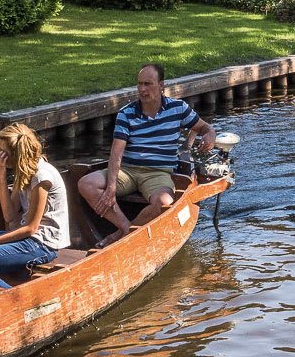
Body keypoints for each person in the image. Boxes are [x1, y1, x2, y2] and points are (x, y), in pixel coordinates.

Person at [79, 63, 215, 242]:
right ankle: (127, 230)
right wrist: (111, 187)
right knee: (86, 184)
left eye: (148, 84)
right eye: (140, 84)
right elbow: (116, 154)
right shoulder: (126, 114)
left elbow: (204, 127)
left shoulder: (178, 108)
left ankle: (121, 235)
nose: (142, 89)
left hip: (158, 173)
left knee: (164, 202)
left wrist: (209, 135)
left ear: (161, 85)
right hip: (127, 171)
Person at [0, 123, 70, 292]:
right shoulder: (24, 173)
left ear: (16, 155)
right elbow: (10, 217)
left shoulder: (42, 177)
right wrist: (2, 175)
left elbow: (31, 228)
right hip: (27, 239)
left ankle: (10, 296)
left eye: (3, 152)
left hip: (42, 245)